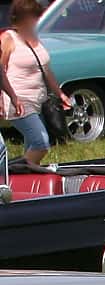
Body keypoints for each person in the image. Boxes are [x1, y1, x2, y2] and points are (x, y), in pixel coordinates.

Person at [2, 0, 68, 167]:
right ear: (24, 18)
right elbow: (0, 71)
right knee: (41, 144)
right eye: (35, 17)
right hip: (19, 102)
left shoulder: (35, 38)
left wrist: (60, 94)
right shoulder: (9, 38)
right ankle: (17, 172)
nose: (38, 21)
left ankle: (27, 179)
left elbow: (47, 70)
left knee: (31, 146)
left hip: (38, 101)